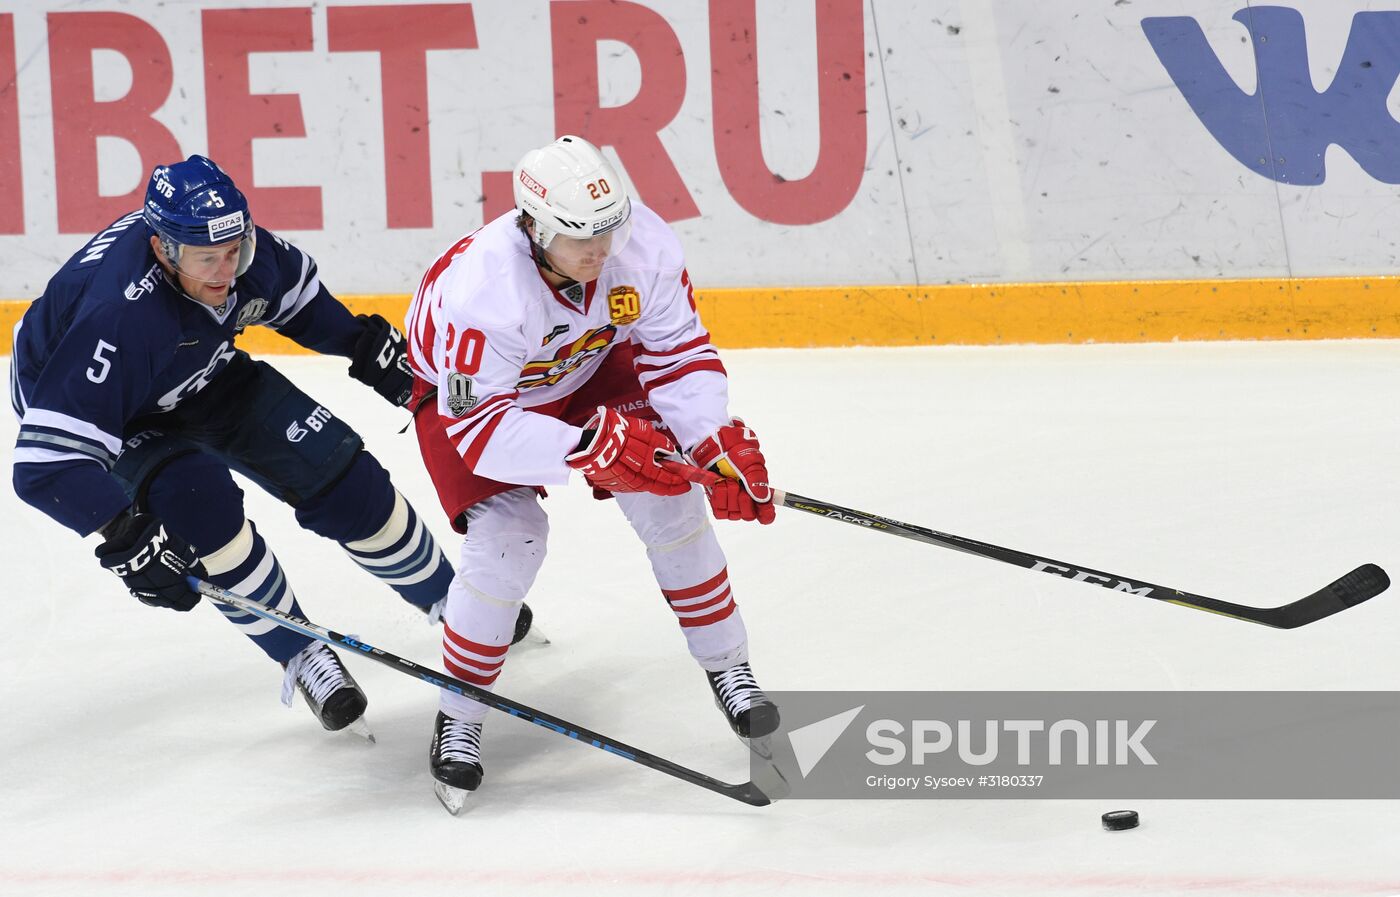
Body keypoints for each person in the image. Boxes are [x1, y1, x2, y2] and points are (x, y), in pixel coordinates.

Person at [10, 154, 528, 735]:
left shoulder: (236, 250)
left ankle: (451, 602)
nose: (226, 271)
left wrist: (363, 346)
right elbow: (43, 466)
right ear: (162, 249)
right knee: (199, 504)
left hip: (198, 369)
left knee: (345, 481)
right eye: (207, 259)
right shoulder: (116, 318)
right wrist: (123, 532)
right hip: (115, 411)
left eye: (233, 252)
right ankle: (301, 650)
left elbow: (300, 304)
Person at [406, 134, 779, 803]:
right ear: (534, 227)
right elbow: (481, 428)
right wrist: (589, 444)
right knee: (509, 539)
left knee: (673, 498)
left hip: (587, 361)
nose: (602, 252)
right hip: (480, 401)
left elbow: (678, 351)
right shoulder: (481, 293)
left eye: (611, 229)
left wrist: (708, 438)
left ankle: (731, 669)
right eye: (583, 238)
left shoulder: (641, 248)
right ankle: (459, 716)